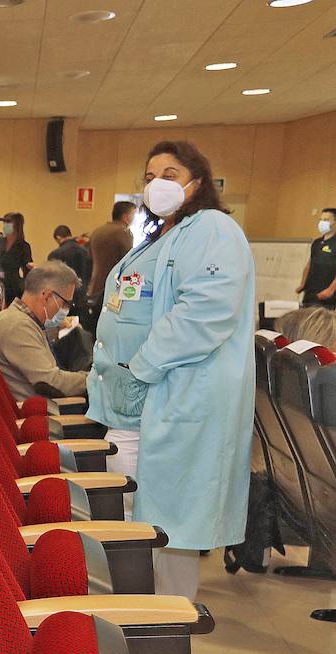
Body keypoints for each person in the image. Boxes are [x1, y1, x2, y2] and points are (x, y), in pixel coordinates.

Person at [87, 139, 255, 601]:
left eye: (169, 174)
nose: (156, 184)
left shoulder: (213, 229)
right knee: (147, 514)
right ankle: (143, 608)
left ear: (196, 182)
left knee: (171, 520)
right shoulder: (166, 234)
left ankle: (168, 620)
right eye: (148, 176)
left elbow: (205, 311)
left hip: (176, 394)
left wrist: (141, 366)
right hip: (141, 398)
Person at [0, 262, 87, 401]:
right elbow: (51, 381)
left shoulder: (21, 319)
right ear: (47, 296)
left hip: (45, 407)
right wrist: (95, 380)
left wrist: (57, 328)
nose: (66, 310)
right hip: (46, 414)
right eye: (65, 304)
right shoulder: (17, 325)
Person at [87, 201, 138, 333]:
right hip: (113, 290)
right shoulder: (123, 232)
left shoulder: (97, 231)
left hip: (94, 287)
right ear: (126, 216)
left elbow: (89, 258)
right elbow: (128, 262)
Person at [297, 207, 336, 306]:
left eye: (326, 220)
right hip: (310, 293)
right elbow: (309, 264)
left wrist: (330, 290)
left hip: (327, 296)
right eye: (321, 220)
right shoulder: (317, 242)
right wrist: (302, 284)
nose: (322, 223)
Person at [0, 211, 33, 302]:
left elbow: (27, 269)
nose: (5, 226)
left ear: (16, 225)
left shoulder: (23, 246)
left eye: (8, 223)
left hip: (12, 285)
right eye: (4, 223)